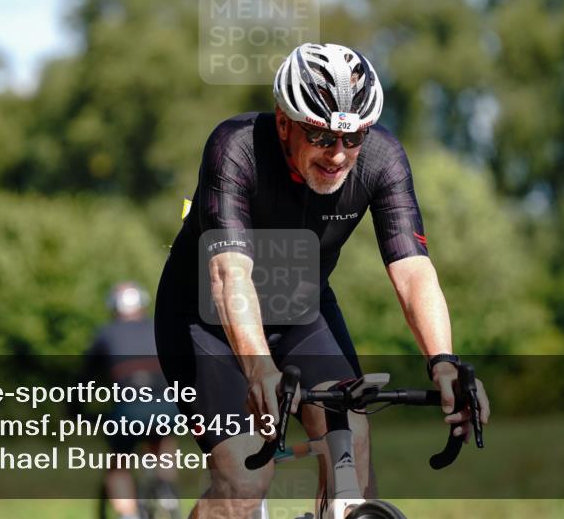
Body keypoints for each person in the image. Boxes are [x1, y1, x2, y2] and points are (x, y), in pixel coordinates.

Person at [154, 42, 491, 518]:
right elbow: (229, 273)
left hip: (299, 305)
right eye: (322, 137)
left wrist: (442, 361)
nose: (338, 155)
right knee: (246, 479)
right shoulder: (236, 147)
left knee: (350, 440)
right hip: (206, 317)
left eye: (352, 139)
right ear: (284, 122)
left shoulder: (382, 159)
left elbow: (413, 269)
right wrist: (258, 367)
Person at [85, 282, 180, 519]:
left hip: (129, 410)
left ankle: (128, 515)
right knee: (163, 438)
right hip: (168, 407)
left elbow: (83, 381)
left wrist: (77, 411)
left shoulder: (105, 334)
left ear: (113, 308)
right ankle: (166, 489)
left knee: (119, 464)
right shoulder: (160, 328)